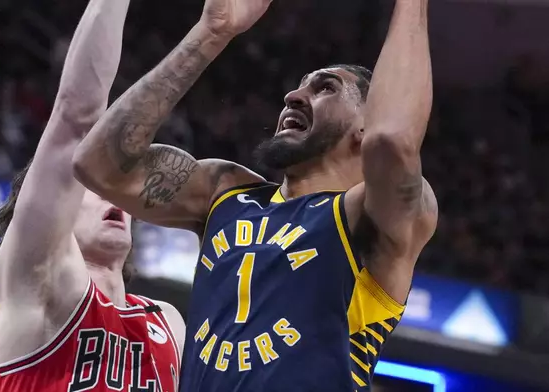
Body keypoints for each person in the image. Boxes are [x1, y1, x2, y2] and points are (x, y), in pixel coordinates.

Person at [72, 0, 437, 389]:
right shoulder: (225, 192)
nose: (294, 96)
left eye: (325, 88)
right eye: (298, 86)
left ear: (365, 124)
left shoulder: (369, 217)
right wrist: (212, 32)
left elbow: (392, 140)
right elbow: (98, 165)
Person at [0, 1, 185, 391]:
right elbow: (77, 116)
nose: (116, 198)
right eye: (94, 188)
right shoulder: (40, 282)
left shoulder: (168, 321)